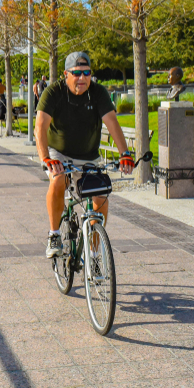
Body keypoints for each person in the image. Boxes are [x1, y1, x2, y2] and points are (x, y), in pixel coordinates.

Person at [36, 52, 133, 259]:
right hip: (58, 153)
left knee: (101, 198)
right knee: (58, 179)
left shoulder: (98, 93)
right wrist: (46, 158)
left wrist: (125, 153)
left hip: (88, 155)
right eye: (77, 73)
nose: (82, 78)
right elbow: (40, 127)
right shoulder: (54, 92)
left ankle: (95, 253)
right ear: (66, 74)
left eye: (87, 73)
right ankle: (54, 234)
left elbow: (112, 123)